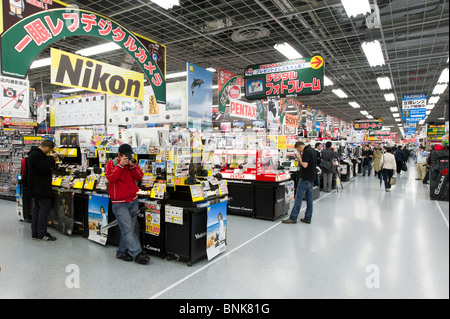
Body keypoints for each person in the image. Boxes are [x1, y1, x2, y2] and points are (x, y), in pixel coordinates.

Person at [105, 144, 149, 265]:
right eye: (126, 156)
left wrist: (133, 166)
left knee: (128, 229)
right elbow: (111, 178)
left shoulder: (132, 163)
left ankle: (121, 252)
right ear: (119, 155)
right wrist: (120, 165)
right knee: (128, 230)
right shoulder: (111, 164)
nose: (128, 158)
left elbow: (140, 177)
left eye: (130, 155)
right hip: (119, 204)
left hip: (133, 200)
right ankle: (138, 254)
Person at [28, 140, 59, 241]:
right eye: (49, 151)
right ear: (47, 148)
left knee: (37, 210)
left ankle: (35, 233)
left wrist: (49, 158)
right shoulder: (36, 155)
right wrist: (52, 158)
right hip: (40, 188)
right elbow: (45, 167)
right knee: (43, 210)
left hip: (37, 187)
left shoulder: (36, 154)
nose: (49, 153)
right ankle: (42, 234)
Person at [283, 142, 317, 224]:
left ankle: (293, 218)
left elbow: (305, 165)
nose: (299, 151)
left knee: (298, 198)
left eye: (299, 149)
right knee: (309, 199)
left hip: (305, 178)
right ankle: (308, 218)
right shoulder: (312, 150)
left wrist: (299, 158)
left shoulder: (306, 151)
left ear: (301, 146)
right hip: (311, 178)